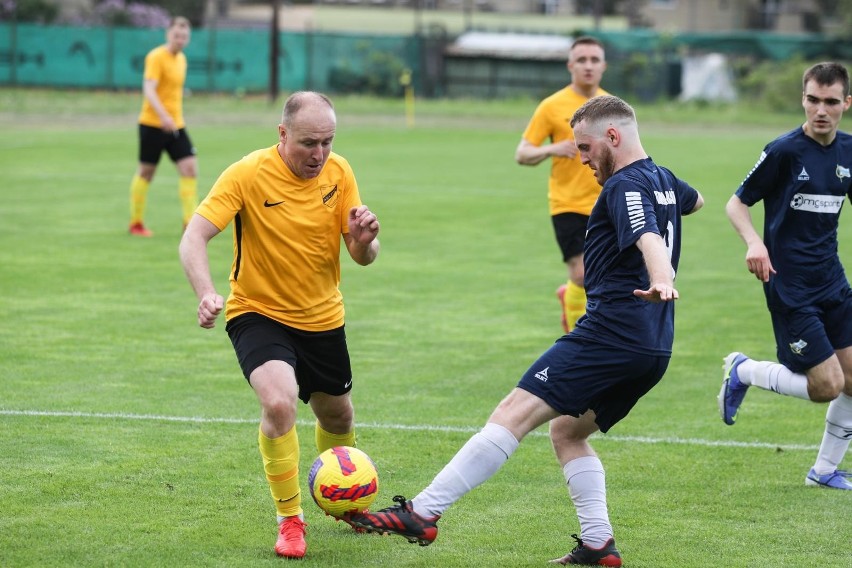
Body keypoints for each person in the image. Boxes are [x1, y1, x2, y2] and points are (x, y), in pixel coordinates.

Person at [349, 95, 703, 566]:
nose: (580, 159)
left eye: (584, 148)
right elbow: (694, 201)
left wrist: (661, 278)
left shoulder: (624, 187)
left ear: (613, 138)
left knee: (512, 412)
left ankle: (422, 513)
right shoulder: (662, 178)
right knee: (567, 432)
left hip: (611, 333)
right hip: (654, 346)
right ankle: (599, 545)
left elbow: (648, 236)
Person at [178, 91, 381, 558]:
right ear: (283, 134)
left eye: (328, 142)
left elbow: (360, 256)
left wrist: (367, 242)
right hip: (258, 313)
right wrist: (206, 293)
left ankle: (346, 500)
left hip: (323, 316)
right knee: (279, 402)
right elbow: (194, 236)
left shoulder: (340, 172)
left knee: (338, 415)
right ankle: (290, 521)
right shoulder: (248, 173)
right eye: (309, 142)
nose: (320, 154)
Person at [718, 62, 852, 491]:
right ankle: (745, 372)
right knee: (827, 386)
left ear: (846, 104)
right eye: (813, 100)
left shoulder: (848, 151)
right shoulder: (783, 151)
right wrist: (754, 243)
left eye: (831, 102)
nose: (821, 110)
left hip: (832, 280)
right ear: (803, 99)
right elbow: (736, 204)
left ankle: (824, 471)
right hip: (790, 286)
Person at [515, 36, 608, 333]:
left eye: (594, 60)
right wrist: (551, 149)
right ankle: (579, 340)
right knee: (581, 274)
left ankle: (574, 303)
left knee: (605, 277)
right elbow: (523, 153)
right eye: (582, 60)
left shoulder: (612, 107)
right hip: (567, 203)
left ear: (604, 66)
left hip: (606, 203)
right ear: (570, 65)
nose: (588, 66)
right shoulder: (552, 106)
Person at [128, 16, 198, 237]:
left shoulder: (182, 60)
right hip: (152, 124)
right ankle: (136, 223)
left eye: (184, 36)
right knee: (147, 173)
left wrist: (173, 117)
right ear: (168, 34)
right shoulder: (156, 57)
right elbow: (149, 89)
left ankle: (190, 223)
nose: (180, 39)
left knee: (189, 168)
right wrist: (163, 116)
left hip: (176, 125)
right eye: (177, 35)